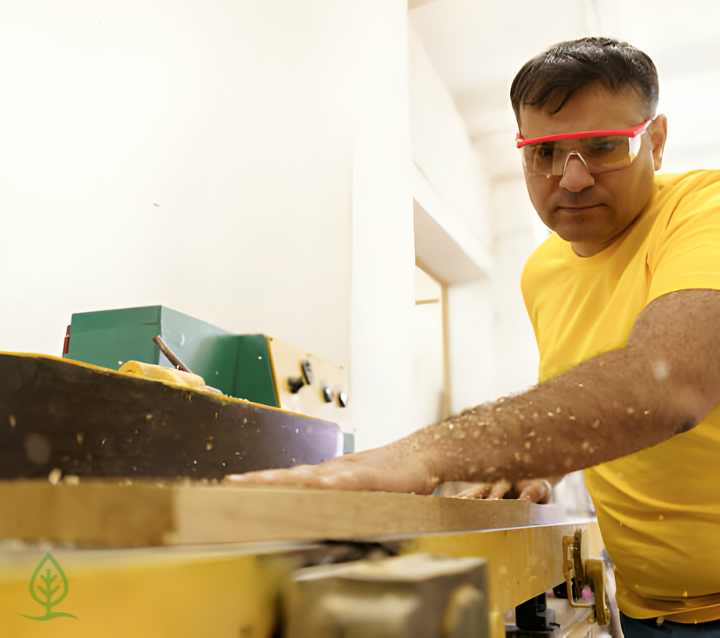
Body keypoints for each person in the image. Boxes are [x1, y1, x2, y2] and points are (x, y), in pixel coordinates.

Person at [224, 38, 720, 635]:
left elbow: (668, 382)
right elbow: (593, 396)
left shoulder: (703, 214)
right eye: (544, 153)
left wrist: (422, 453)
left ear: (657, 140)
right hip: (648, 609)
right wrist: (543, 465)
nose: (573, 178)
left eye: (604, 147)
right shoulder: (543, 272)